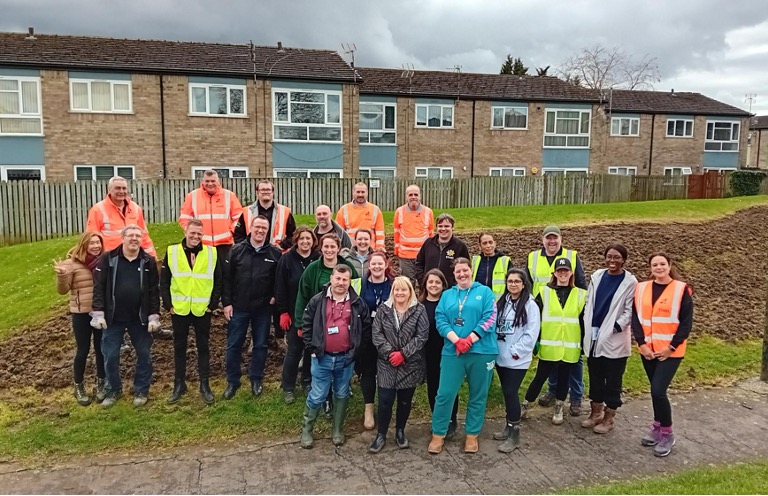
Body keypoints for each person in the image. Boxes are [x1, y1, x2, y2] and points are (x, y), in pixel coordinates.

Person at [428, 258, 497, 455]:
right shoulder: (448, 295)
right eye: (458, 272)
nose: (462, 274)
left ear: (471, 270)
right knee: (444, 394)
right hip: (453, 351)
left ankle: (472, 435)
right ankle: (438, 434)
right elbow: (440, 319)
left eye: (465, 270)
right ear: (454, 274)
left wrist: (470, 339)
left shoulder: (484, 292)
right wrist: (457, 340)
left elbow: (491, 317)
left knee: (478, 394)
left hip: (482, 351)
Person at [299, 264, 372, 449]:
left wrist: (357, 351)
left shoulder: (357, 303)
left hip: (345, 359)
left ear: (349, 281)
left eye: (345, 279)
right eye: (338, 279)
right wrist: (311, 348)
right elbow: (306, 324)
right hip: (322, 357)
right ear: (331, 279)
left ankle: (338, 430)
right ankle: (307, 429)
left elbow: (366, 328)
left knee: (342, 392)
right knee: (317, 395)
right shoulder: (317, 301)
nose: (341, 283)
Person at [91, 224, 161, 408]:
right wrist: (98, 313)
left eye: (138, 236)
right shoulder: (109, 259)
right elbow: (98, 287)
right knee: (110, 356)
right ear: (123, 237)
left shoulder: (148, 261)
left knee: (144, 354)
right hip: (113, 319)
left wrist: (154, 315)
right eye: (130, 235)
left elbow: (154, 291)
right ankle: (114, 389)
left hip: (139, 319)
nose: (134, 239)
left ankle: (141, 389)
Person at [632, 252, 693, 457]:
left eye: (662, 264)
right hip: (648, 351)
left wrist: (671, 348)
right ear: (650, 267)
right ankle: (657, 427)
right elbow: (636, 318)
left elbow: (686, 324)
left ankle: (667, 433)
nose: (659, 268)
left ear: (670, 265)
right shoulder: (641, 288)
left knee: (658, 391)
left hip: (670, 352)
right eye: (655, 264)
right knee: (654, 391)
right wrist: (641, 344)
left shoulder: (681, 290)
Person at [294, 233, 359, 417]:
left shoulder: (347, 269)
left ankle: (340, 393)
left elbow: (356, 294)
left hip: (344, 324)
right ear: (321, 248)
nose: (329, 250)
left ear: (338, 248)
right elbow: (303, 295)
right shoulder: (313, 269)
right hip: (319, 326)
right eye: (326, 247)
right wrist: (300, 322)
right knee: (322, 361)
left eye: (333, 247)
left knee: (341, 363)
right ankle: (324, 399)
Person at [160, 219, 224, 405]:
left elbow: (218, 281)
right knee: (179, 348)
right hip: (179, 310)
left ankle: (205, 385)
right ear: (186, 232)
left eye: (199, 234)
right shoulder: (172, 252)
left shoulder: (212, 253)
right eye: (192, 233)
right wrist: (168, 305)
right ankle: (179, 384)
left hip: (202, 309)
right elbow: (164, 280)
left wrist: (212, 305)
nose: (196, 236)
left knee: (203, 347)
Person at [526, 225, 587, 416]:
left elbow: (582, 284)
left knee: (571, 370)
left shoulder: (572, 257)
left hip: (570, 338)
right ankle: (550, 395)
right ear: (543, 239)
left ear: (560, 239)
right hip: (548, 328)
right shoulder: (533, 258)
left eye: (555, 238)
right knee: (545, 371)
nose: (551, 242)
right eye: (548, 238)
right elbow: (528, 284)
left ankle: (575, 399)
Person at [221, 215, 282, 400]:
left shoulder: (274, 253)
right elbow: (226, 279)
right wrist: (227, 303)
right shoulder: (236, 251)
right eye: (257, 227)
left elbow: (278, 280)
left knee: (261, 345)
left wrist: (274, 297)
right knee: (234, 345)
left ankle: (256, 379)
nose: (260, 231)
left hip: (262, 309)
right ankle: (233, 381)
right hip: (238, 307)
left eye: (264, 228)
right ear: (251, 228)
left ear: (268, 230)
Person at [581, 244, 638, 434]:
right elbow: (589, 300)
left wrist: (615, 327)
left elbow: (630, 310)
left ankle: (609, 417)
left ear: (623, 260)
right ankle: (595, 412)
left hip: (615, 338)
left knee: (613, 380)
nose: (612, 261)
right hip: (594, 335)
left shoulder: (629, 282)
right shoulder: (597, 276)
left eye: (617, 257)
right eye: (609, 257)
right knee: (595, 377)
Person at [368, 276, 429, 453]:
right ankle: (381, 435)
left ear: (410, 291)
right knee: (385, 401)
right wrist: (390, 353)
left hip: (409, 364)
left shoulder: (419, 310)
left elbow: (422, 336)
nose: (400, 293)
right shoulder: (383, 309)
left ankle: (400, 431)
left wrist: (403, 354)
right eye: (397, 289)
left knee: (404, 401)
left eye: (404, 289)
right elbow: (376, 334)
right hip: (386, 363)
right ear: (392, 291)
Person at [54, 231, 106, 406]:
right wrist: (62, 276)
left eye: (98, 243)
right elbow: (63, 290)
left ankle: (101, 383)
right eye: (92, 243)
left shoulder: (105, 261)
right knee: (82, 350)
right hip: (81, 313)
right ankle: (78, 386)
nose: (96, 246)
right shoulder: (71, 264)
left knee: (101, 350)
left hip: (100, 313)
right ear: (84, 244)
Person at [493, 268, 540, 452]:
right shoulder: (502, 302)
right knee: (506, 392)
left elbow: (531, 333)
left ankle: (515, 434)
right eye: (510, 281)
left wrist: (515, 351)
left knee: (511, 392)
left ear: (523, 284)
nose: (513, 284)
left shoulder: (530, 305)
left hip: (516, 359)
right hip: (500, 356)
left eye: (517, 281)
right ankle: (508, 426)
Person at [275, 227, 320, 404]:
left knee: (311, 350)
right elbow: (280, 287)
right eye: (302, 239)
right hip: (295, 313)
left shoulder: (317, 259)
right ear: (296, 240)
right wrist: (283, 312)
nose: (305, 242)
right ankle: (288, 386)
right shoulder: (286, 259)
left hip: (315, 315)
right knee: (294, 350)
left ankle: (307, 382)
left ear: (313, 241)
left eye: (308, 239)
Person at [351, 250, 394, 430]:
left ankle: (386, 406)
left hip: (388, 336)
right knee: (368, 371)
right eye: (373, 263)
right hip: (366, 335)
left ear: (386, 265)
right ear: (369, 265)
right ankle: (368, 408)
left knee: (387, 372)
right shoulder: (358, 284)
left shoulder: (394, 285)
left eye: (380, 263)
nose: (376, 267)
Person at [420, 268, 459, 439]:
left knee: (449, 387)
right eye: (430, 282)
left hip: (448, 350)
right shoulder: (419, 305)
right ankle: (438, 418)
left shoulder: (450, 303)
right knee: (433, 387)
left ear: (443, 285)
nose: (434, 285)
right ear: (425, 284)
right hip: (428, 353)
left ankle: (451, 420)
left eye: (437, 282)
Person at [178, 169, 243, 262]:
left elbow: (239, 218)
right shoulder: (192, 196)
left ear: (218, 181)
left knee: (226, 275)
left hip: (224, 245)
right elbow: (184, 218)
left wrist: (231, 231)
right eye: (207, 181)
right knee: (204, 275)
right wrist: (192, 234)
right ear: (203, 182)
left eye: (213, 181)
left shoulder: (229, 195)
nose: (210, 184)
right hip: (201, 244)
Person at [86, 176, 155, 256]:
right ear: (109, 190)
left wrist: (152, 259)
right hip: (109, 259)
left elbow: (144, 236)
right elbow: (91, 238)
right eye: (118, 188)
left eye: (124, 188)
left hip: (133, 258)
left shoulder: (135, 208)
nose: (121, 191)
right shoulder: (97, 210)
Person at [234, 180, 296, 250]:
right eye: (263, 190)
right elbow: (238, 235)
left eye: (268, 190)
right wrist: (246, 248)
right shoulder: (246, 212)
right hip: (252, 254)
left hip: (277, 255)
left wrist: (281, 246)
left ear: (273, 192)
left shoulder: (285, 211)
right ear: (257, 192)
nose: (266, 192)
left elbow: (294, 235)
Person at [415, 213, 469, 287]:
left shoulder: (460, 246)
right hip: (429, 289)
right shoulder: (428, 243)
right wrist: (423, 282)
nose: (443, 229)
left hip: (450, 291)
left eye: (446, 226)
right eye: (440, 226)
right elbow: (419, 264)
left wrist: (455, 285)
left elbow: (466, 268)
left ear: (452, 227)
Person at [393, 185, 434, 284]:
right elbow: (396, 233)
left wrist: (431, 252)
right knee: (407, 284)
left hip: (423, 255)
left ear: (420, 196)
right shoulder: (399, 212)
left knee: (424, 283)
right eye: (410, 194)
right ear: (406, 197)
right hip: (405, 256)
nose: (413, 197)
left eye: (416, 194)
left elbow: (431, 234)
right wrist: (397, 251)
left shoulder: (428, 212)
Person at [336, 182, 385, 250]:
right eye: (358, 192)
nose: (360, 194)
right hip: (350, 250)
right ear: (353, 192)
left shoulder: (375, 210)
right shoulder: (344, 210)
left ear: (367, 193)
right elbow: (339, 233)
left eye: (363, 192)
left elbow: (380, 233)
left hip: (370, 250)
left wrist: (379, 249)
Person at [471, 233, 511, 301]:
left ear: (495, 244)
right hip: (478, 301)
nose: (488, 246)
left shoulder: (504, 261)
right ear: (479, 246)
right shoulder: (475, 260)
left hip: (499, 302)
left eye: (490, 242)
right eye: (484, 243)